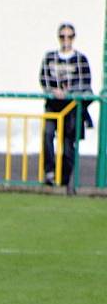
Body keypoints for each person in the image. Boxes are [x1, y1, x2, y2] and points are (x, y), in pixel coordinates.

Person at [39, 22, 93, 192]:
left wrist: (69, 91)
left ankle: (64, 177)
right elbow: (43, 78)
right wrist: (53, 90)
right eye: (62, 36)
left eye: (69, 36)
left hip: (71, 107)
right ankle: (49, 171)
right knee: (47, 134)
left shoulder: (80, 59)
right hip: (53, 105)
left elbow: (86, 82)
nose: (66, 40)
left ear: (74, 38)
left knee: (68, 142)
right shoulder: (50, 57)